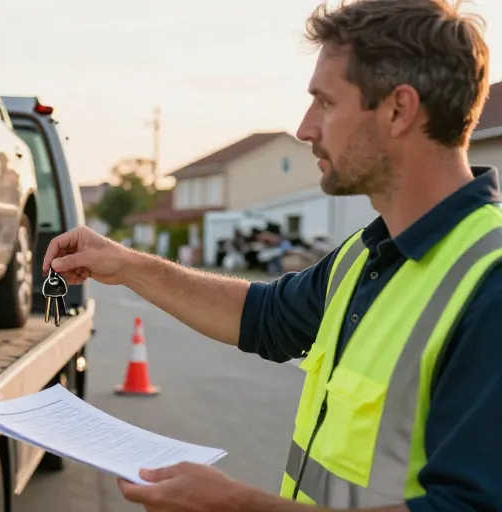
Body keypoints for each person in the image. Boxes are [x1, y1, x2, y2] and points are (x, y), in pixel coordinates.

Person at [42, 1, 502, 511]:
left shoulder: (491, 284)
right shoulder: (367, 253)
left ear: (398, 109)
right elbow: (263, 317)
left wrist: (237, 506)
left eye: (324, 103)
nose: (305, 128)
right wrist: (127, 264)